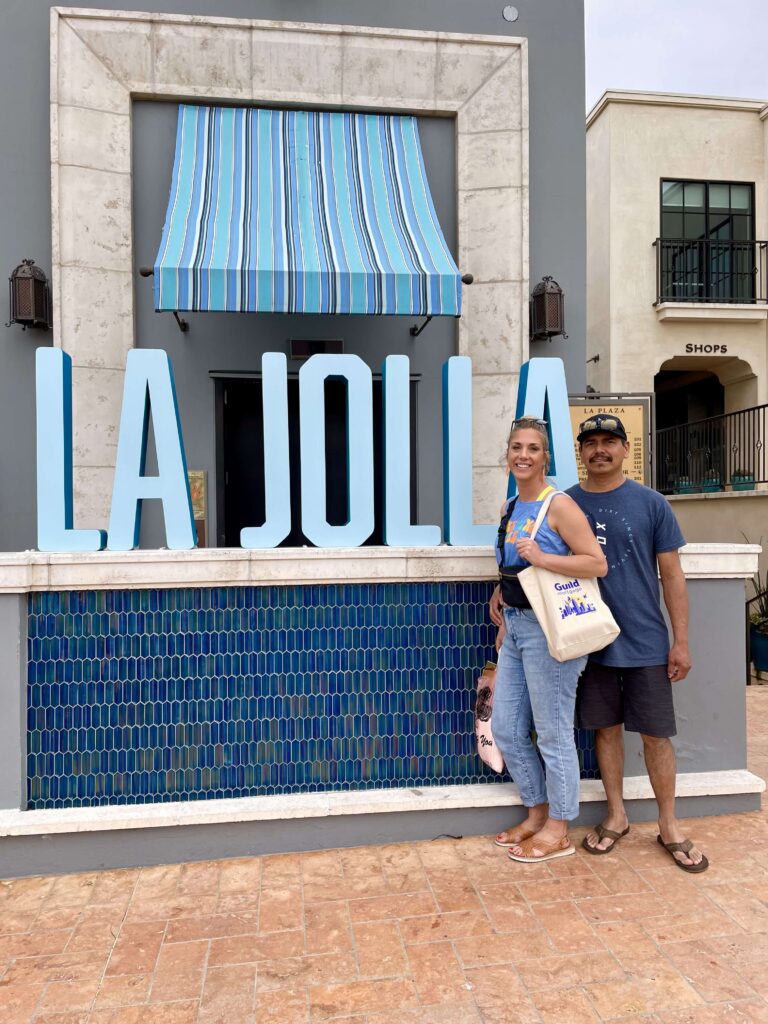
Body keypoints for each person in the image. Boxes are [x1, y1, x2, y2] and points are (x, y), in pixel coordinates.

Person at [567, 413, 708, 872]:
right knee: (604, 730)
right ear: (581, 452)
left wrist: (680, 641)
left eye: (610, 441)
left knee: (656, 735)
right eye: (591, 443)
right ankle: (617, 815)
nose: (600, 450)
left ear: (626, 450)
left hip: (646, 640)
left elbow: (672, 575)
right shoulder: (564, 504)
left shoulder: (651, 504)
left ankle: (669, 824)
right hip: (588, 642)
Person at [488, 417, 607, 863]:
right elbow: (512, 564)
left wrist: (541, 557)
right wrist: (501, 593)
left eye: (533, 448)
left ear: (545, 457)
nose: (523, 455)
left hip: (550, 631)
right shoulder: (509, 507)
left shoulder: (558, 506)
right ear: (508, 454)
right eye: (516, 447)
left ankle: (559, 827)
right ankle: (537, 814)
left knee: (553, 734)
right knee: (506, 728)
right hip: (516, 626)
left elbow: (597, 564)